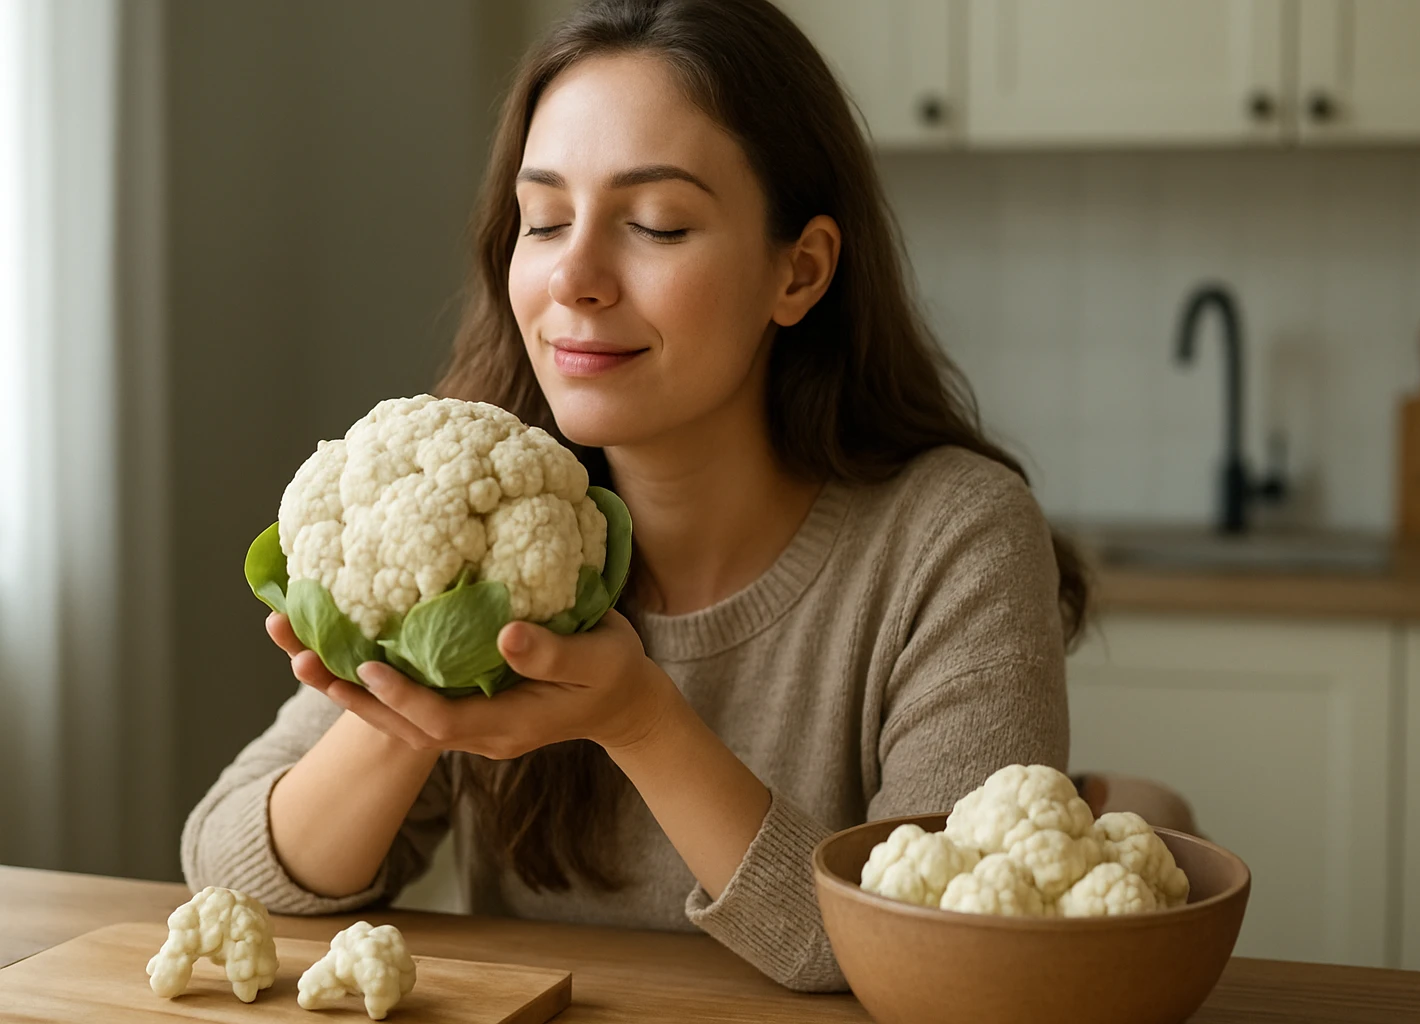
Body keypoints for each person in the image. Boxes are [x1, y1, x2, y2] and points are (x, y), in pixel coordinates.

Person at [183, 0, 1089, 992]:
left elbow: (950, 949)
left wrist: (640, 722)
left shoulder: (953, 539)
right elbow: (230, 879)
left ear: (801, 270)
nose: (573, 276)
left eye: (655, 223)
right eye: (543, 220)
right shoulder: (472, 524)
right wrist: (407, 701)